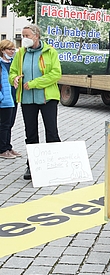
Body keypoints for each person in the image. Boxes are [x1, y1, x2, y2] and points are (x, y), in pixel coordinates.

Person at [9, 24, 62, 180]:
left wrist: (34, 83)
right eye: (23, 36)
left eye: (27, 36)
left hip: (48, 99)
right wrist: (15, 78)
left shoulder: (50, 51)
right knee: (30, 134)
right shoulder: (20, 54)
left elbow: (56, 74)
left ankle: (56, 164)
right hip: (27, 99)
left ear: (36, 36)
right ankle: (32, 166)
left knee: (51, 132)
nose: (24, 39)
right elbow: (12, 72)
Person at [0, 40, 20, 159]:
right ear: (2, 50)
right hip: (4, 100)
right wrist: (1, 98)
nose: (12, 52)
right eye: (9, 49)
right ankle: (2, 149)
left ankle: (8, 146)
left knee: (10, 124)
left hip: (13, 98)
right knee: (4, 125)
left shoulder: (13, 63)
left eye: (13, 49)